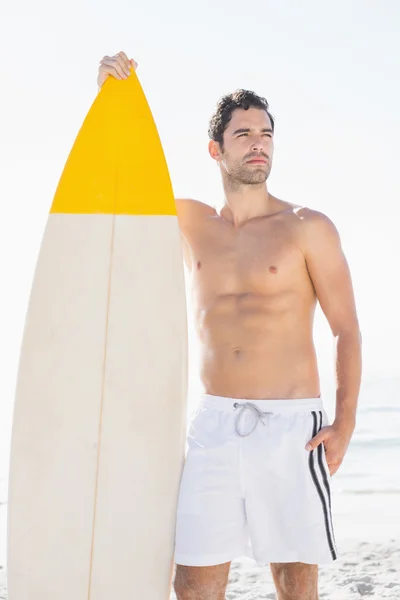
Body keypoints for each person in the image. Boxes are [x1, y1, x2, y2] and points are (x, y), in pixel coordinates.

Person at [97, 52, 362, 600]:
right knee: (192, 582)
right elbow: (118, 190)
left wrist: (345, 422)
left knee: (295, 582)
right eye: (243, 134)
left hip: (293, 429)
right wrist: (110, 98)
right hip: (214, 425)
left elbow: (346, 329)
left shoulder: (307, 227)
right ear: (216, 149)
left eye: (266, 133)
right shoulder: (190, 221)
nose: (258, 143)